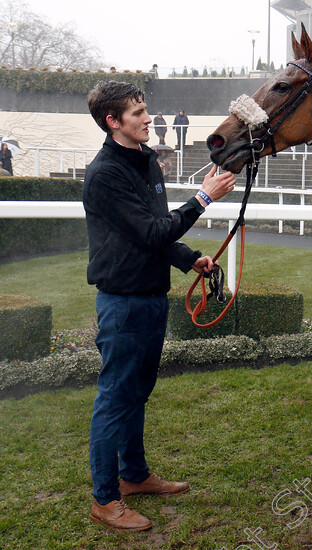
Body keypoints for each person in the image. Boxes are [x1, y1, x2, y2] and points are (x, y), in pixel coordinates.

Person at [82, 80, 236, 531]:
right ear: (113, 122)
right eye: (137, 112)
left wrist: (190, 260)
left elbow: (155, 231)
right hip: (123, 304)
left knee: (136, 394)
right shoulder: (105, 173)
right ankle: (105, 499)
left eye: (145, 108)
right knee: (115, 400)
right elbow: (151, 233)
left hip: (149, 299)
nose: (148, 117)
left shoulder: (146, 159)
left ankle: (134, 476)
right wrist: (204, 198)